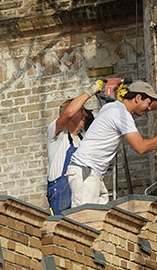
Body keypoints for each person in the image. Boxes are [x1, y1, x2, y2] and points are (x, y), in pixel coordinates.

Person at [66, 80, 157, 207]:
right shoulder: (122, 114)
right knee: (84, 219)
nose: (149, 108)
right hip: (85, 170)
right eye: (148, 103)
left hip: (93, 172)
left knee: (98, 219)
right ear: (138, 98)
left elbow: (146, 107)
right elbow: (141, 147)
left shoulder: (112, 107)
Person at [45, 78, 118, 214]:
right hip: (61, 192)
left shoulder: (83, 140)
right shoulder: (56, 134)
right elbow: (69, 112)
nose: (85, 114)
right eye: (82, 110)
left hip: (80, 191)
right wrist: (90, 91)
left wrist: (113, 101)